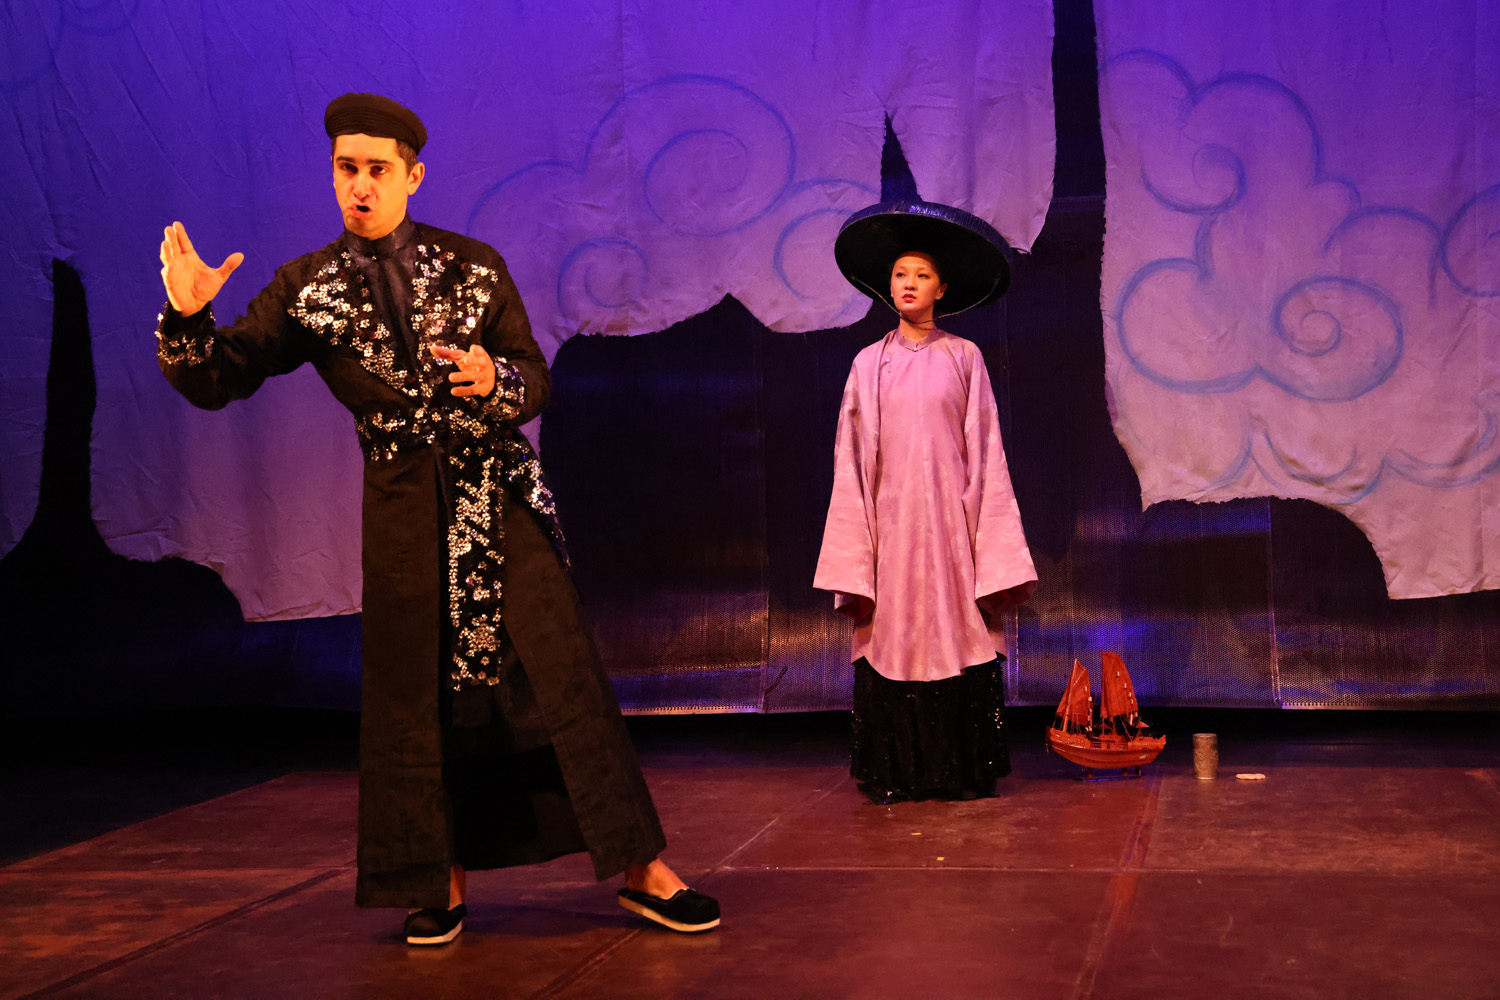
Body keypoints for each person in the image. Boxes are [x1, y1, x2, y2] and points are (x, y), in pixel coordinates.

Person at [155, 92, 718, 944]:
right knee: (414, 694)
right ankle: (437, 879)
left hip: (493, 496)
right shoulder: (307, 288)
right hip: (405, 511)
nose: (361, 186)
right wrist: (190, 316)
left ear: (412, 177)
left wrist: (497, 381)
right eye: (347, 169)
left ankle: (644, 869)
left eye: (378, 170)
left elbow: (534, 376)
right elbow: (217, 377)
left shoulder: (473, 268)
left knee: (559, 675)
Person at [814, 201, 1038, 804]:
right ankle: (896, 770)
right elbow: (850, 460)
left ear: (942, 288)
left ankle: (961, 770)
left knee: (956, 631)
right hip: (891, 528)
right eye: (899, 274)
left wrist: (985, 541)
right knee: (893, 636)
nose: (908, 284)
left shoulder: (964, 357)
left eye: (921, 274)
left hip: (949, 529)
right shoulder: (868, 363)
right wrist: (858, 548)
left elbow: (985, 450)